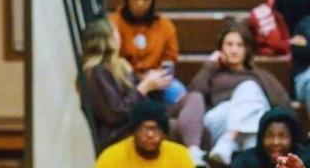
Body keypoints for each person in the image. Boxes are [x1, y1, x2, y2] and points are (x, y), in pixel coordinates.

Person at [82, 17, 207, 165]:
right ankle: (194, 155)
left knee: (194, 99)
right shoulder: (97, 72)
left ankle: (193, 151)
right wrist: (144, 87)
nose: (119, 34)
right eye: (115, 31)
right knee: (189, 129)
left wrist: (153, 83)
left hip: (143, 116)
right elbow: (115, 114)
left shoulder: (119, 66)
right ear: (106, 39)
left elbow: (139, 99)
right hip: (123, 131)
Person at [187, 20, 291, 166]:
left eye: (239, 45)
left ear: (247, 49)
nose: (234, 50)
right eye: (229, 44)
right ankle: (230, 141)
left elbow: (283, 104)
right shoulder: (214, 74)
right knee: (249, 89)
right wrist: (210, 66)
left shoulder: (260, 76)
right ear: (221, 48)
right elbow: (193, 98)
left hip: (250, 128)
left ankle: (231, 145)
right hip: (218, 122)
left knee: (254, 105)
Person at [109, 0, 187, 103]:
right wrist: (139, 77)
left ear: (152, 1)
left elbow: (170, 59)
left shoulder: (165, 25)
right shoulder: (114, 23)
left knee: (180, 94)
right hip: (124, 80)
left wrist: (158, 76)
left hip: (157, 79)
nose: (140, 3)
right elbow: (111, 59)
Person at [94, 101, 196, 167]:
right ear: (133, 131)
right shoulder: (112, 159)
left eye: (156, 129)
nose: (150, 135)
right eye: (144, 129)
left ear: (164, 133)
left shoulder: (179, 155)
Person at [231, 107, 310, 168]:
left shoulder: (306, 160)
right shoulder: (245, 162)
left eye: (282, 136)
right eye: (269, 135)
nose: (275, 142)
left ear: (293, 138)